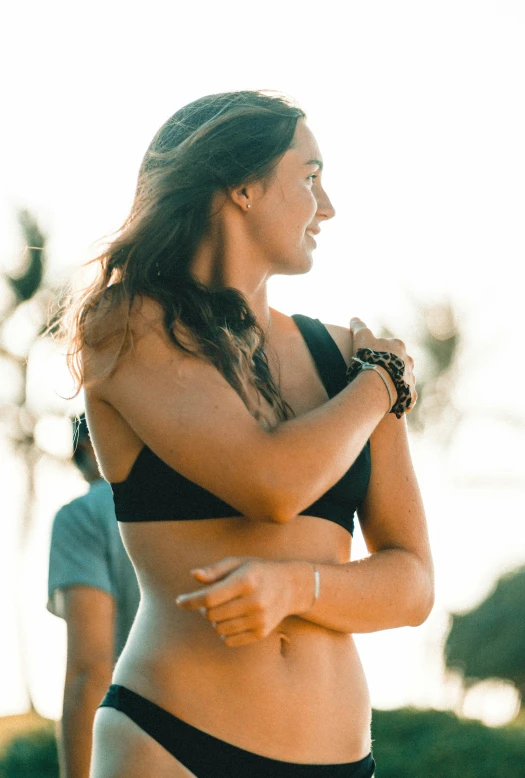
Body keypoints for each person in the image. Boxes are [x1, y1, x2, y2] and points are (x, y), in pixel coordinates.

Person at [64, 90, 434, 777]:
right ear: (240, 186)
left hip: (342, 759)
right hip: (173, 744)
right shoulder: (126, 326)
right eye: (310, 177)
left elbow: (411, 583)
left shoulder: (339, 359)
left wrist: (299, 589)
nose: (327, 208)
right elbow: (271, 484)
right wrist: (382, 382)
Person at [47, 415, 140, 778]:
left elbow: (89, 671)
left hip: (139, 750)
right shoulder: (212, 497)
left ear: (89, 446)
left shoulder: (83, 516)